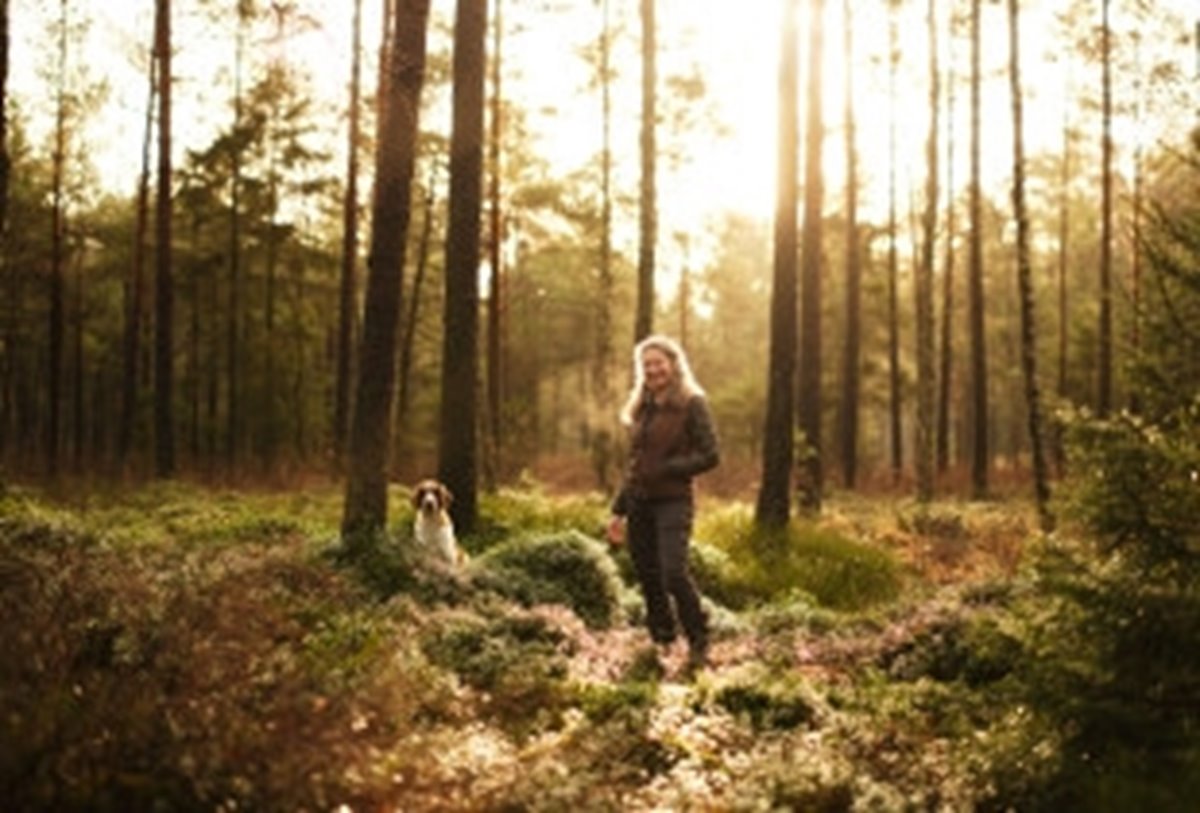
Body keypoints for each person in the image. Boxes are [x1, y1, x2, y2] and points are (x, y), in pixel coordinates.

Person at [606, 334, 720, 675]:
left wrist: (671, 468)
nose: (653, 369)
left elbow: (711, 454)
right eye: (647, 364)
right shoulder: (643, 405)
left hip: (673, 501)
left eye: (658, 362)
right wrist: (618, 510)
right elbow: (635, 464)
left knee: (673, 571)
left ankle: (699, 636)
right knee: (647, 574)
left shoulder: (692, 402)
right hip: (639, 501)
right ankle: (662, 636)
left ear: (673, 364)